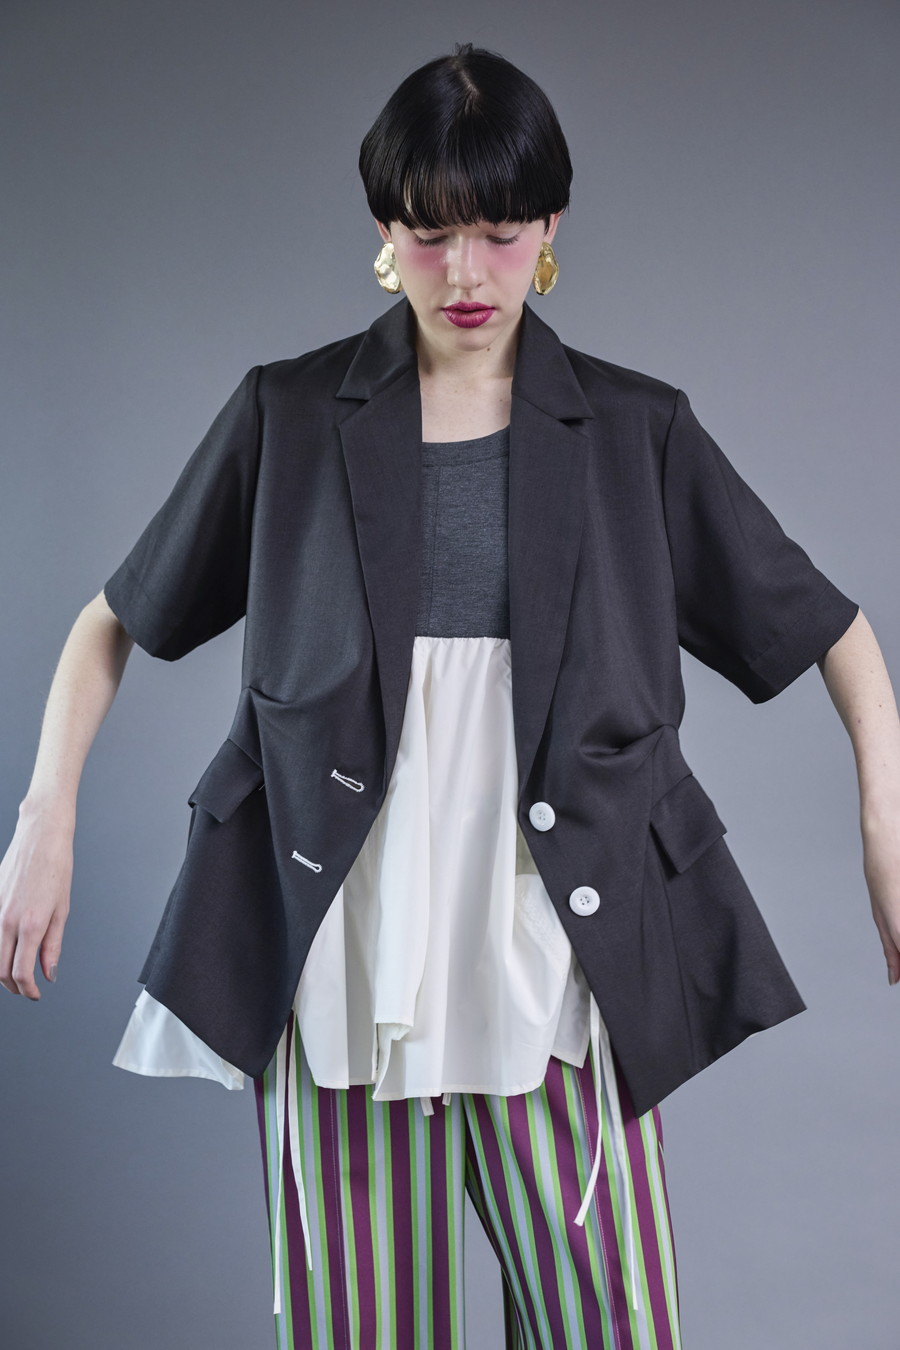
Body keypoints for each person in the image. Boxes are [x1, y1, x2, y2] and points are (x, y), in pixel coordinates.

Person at [2, 41, 899, 1350]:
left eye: (498, 232)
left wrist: (885, 825)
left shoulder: (637, 433)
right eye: (431, 235)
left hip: (558, 969)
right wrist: (45, 817)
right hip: (343, 972)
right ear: (386, 231)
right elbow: (110, 622)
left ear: (551, 227)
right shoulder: (289, 417)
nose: (466, 274)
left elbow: (835, 632)